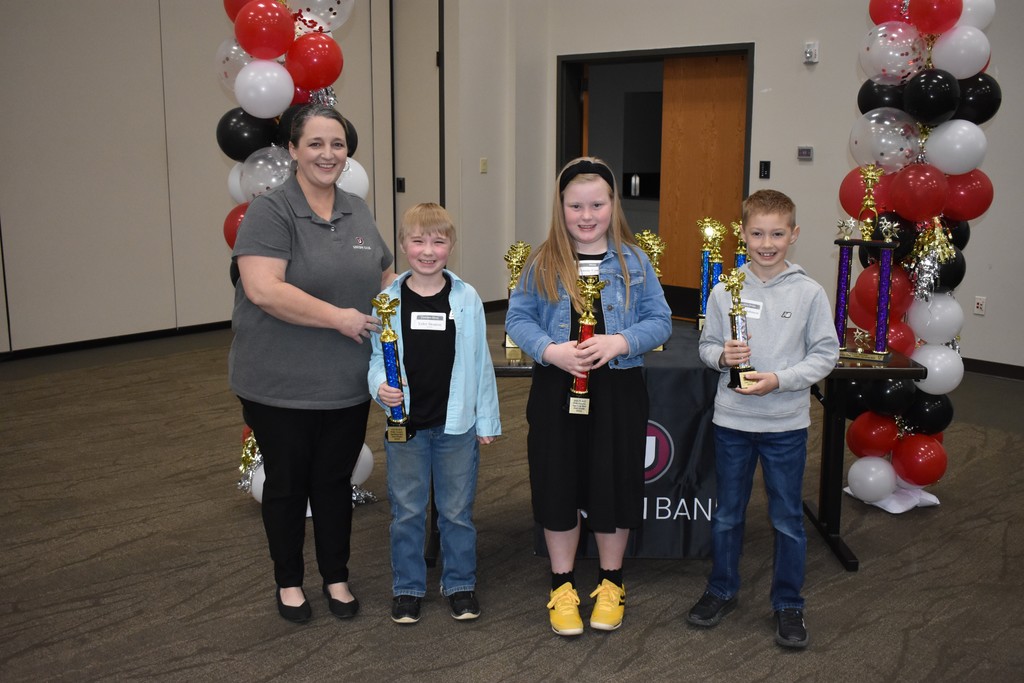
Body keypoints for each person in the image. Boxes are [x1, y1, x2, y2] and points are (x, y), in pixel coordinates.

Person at [229, 103, 395, 624]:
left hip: (346, 380)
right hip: (278, 383)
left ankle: (336, 575)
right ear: (293, 151)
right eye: (317, 144)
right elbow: (263, 289)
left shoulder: (357, 209)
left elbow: (386, 278)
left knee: (332, 482)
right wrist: (340, 319)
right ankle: (289, 581)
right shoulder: (270, 211)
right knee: (286, 483)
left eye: (338, 144)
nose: (328, 153)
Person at [505, 157, 672, 636]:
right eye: (575, 205)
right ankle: (561, 585)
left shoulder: (634, 261)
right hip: (558, 385)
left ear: (612, 205)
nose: (586, 214)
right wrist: (551, 350)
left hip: (618, 387)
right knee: (557, 481)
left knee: (613, 482)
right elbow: (518, 319)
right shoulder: (543, 260)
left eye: (597, 204)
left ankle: (611, 581)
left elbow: (660, 320)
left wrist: (620, 342)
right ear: (560, 208)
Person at [686, 189, 839, 649]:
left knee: (788, 518)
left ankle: (788, 602)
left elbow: (825, 355)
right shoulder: (723, 289)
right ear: (744, 235)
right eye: (757, 233)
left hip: (785, 426)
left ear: (793, 235)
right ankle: (721, 588)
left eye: (777, 233)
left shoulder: (809, 292)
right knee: (729, 515)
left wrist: (781, 379)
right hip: (732, 422)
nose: (766, 243)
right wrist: (721, 357)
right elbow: (706, 346)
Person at [369, 203, 501, 625]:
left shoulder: (466, 297)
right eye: (418, 241)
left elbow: (480, 363)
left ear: (451, 247)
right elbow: (376, 359)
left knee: (456, 512)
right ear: (404, 245)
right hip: (405, 425)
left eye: (438, 242)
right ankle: (408, 588)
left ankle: (460, 583)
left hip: (456, 424)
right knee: (406, 511)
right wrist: (379, 386)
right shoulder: (387, 301)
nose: (428, 250)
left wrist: (487, 421)